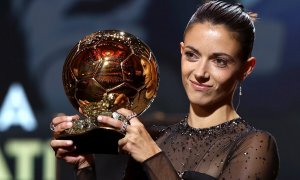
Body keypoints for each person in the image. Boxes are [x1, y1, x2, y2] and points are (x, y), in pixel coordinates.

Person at [50, 1, 279, 179]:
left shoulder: (255, 145)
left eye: (219, 61)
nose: (200, 72)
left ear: (246, 68)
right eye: (192, 55)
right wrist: (85, 168)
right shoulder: (155, 139)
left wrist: (151, 156)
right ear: (181, 51)